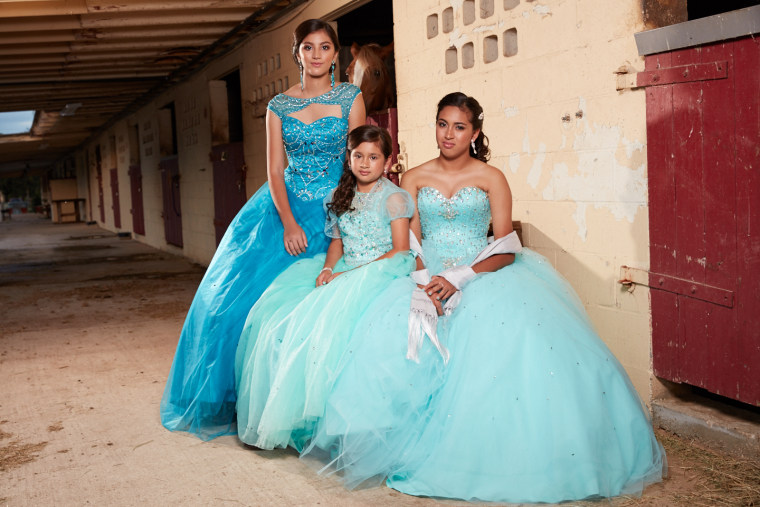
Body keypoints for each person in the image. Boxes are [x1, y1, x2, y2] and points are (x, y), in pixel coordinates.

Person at [303, 92, 666, 503]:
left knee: (521, 344)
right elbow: (412, 242)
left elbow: (506, 247)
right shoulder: (414, 178)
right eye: (442, 124)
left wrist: (460, 277)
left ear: (475, 133)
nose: (449, 134)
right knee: (393, 342)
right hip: (425, 274)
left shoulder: (492, 177)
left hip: (480, 273)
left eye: (459, 127)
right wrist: (426, 283)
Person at [160, 19, 365, 440]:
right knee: (230, 303)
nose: (316, 55)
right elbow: (274, 168)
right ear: (297, 54)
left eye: (325, 47)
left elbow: (357, 155)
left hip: (339, 202)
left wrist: (348, 212)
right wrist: (289, 222)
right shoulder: (278, 105)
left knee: (323, 302)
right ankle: (245, 398)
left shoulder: (351, 97)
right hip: (285, 207)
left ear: (335, 54)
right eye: (307, 47)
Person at [234, 125, 414, 451]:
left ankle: (361, 422)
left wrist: (358, 274)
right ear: (348, 158)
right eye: (358, 155)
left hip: (382, 271)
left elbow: (401, 251)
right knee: (289, 321)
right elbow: (337, 244)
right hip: (346, 268)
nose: (364, 163)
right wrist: (329, 269)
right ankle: (309, 416)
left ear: (387, 162)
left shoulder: (395, 198)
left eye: (373, 157)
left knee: (353, 334)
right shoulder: (338, 196)